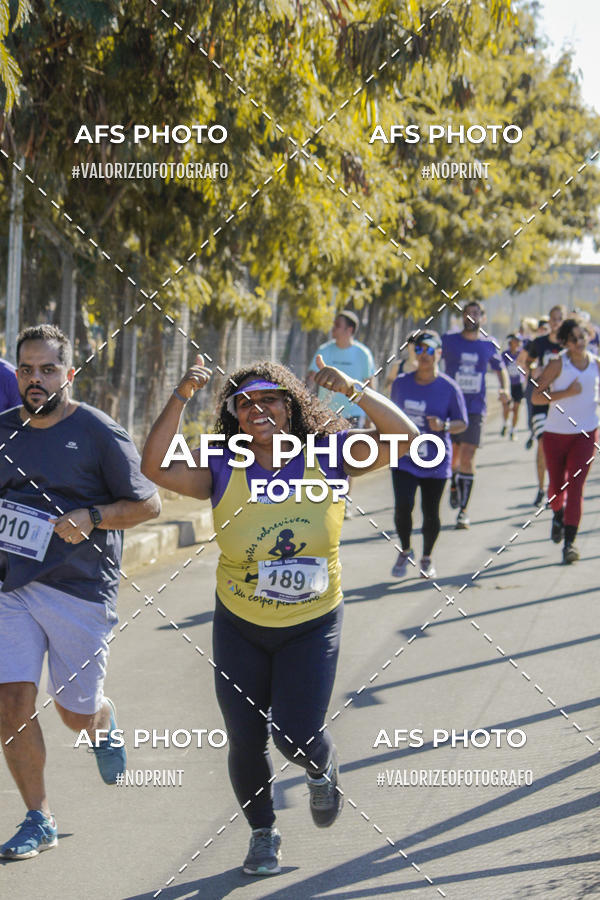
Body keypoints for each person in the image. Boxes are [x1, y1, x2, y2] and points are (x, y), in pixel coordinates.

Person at [141, 354, 419, 877]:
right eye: (243, 403)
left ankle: (322, 767)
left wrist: (354, 390)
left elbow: (405, 438)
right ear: (235, 417)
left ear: (290, 407)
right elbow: (153, 467)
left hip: (312, 622)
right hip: (240, 622)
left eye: (269, 398)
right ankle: (263, 833)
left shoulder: (331, 452)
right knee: (245, 738)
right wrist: (181, 394)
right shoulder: (223, 461)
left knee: (294, 735)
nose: (256, 409)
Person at [0, 325, 161, 860]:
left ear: (68, 374)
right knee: (11, 701)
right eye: (27, 369)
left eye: (48, 370)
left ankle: (101, 718)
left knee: (73, 712)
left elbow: (148, 506)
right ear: (16, 372)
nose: (36, 380)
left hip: (79, 589)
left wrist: (92, 516)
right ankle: (38, 817)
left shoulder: (98, 431)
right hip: (12, 590)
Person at [390, 332, 467, 578]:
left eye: (430, 350)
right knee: (403, 507)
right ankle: (405, 549)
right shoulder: (401, 383)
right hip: (404, 458)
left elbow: (462, 423)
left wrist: (443, 426)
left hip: (435, 461)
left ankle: (427, 558)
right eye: (420, 350)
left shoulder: (449, 388)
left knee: (430, 512)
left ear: (439, 354)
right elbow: (390, 416)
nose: (424, 355)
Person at [532, 318, 599, 564]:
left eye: (582, 337)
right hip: (556, 435)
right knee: (556, 488)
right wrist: (566, 393)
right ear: (565, 342)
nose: (579, 342)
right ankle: (557, 514)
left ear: (589, 337)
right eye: (573, 339)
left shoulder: (596, 365)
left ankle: (570, 543)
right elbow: (536, 398)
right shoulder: (558, 364)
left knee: (576, 486)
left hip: (586, 434)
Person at [441, 302, 509, 529]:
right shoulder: (449, 341)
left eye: (476, 313)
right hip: (450, 406)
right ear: (462, 317)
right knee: (453, 456)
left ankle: (463, 511)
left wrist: (504, 389)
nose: (472, 317)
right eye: (467, 313)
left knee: (468, 456)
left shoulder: (488, 345)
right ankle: (453, 484)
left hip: (475, 408)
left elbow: (501, 371)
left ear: (483, 317)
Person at [306, 310, 375, 517]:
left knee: (349, 458)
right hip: (325, 411)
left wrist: (370, 413)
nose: (333, 329)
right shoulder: (324, 350)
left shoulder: (362, 354)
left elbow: (369, 384)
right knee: (321, 455)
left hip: (353, 411)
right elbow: (311, 376)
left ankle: (344, 500)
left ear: (349, 330)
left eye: (337, 325)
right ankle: (322, 496)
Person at [519, 305, 565, 504]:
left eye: (559, 319)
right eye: (553, 319)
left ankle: (556, 488)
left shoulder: (568, 345)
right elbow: (525, 363)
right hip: (541, 401)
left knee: (560, 448)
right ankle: (541, 488)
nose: (555, 322)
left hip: (562, 402)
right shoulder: (539, 343)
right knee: (543, 443)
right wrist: (534, 370)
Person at [501, 334, 525, 440]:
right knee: (506, 407)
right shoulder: (505, 354)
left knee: (516, 408)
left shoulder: (522, 354)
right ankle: (506, 424)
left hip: (518, 385)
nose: (519, 343)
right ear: (511, 342)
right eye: (517, 340)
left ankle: (513, 430)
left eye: (520, 341)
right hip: (508, 385)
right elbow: (501, 369)